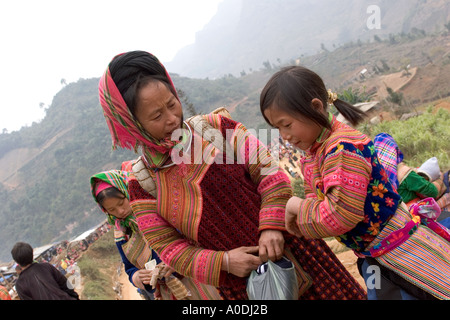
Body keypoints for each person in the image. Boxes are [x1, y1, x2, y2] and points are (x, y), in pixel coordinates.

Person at [98, 50, 366, 300]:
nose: (171, 118)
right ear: (131, 124)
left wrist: (271, 225)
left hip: (296, 255)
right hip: (242, 288)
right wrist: (224, 262)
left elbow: (269, 172)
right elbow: (168, 247)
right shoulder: (141, 184)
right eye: (157, 115)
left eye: (172, 104)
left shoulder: (215, 129)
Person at [260, 65, 450, 300]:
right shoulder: (318, 151)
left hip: (398, 251)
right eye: (277, 128)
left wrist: (295, 207)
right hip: (378, 254)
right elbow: (326, 197)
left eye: (286, 124)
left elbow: (340, 215)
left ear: (316, 108)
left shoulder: (343, 149)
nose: (284, 136)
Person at [90, 169, 221, 300]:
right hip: (166, 293)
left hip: (194, 277)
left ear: (127, 190)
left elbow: (191, 234)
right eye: (112, 210)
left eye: (121, 203)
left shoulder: (155, 208)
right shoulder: (121, 234)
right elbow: (129, 267)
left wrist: (177, 259)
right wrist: (137, 276)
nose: (120, 211)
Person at [10, 242, 79, 300]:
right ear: (32, 253)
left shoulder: (20, 284)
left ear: (17, 262)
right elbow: (65, 285)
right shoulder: (46, 267)